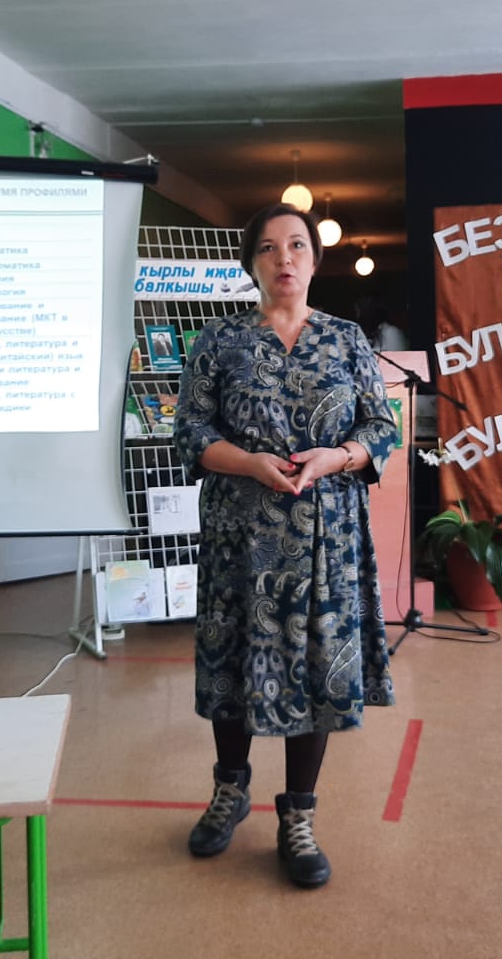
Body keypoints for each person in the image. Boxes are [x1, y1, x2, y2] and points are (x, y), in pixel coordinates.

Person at [173, 203, 397, 889]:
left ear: (314, 260)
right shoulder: (218, 340)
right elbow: (190, 432)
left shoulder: (347, 340)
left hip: (327, 538)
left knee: (316, 667)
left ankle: (298, 815)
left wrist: (339, 457)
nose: (284, 259)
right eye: (268, 248)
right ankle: (229, 790)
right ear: (251, 264)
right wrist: (247, 462)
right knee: (234, 660)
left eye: (297, 245)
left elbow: (381, 427)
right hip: (241, 539)